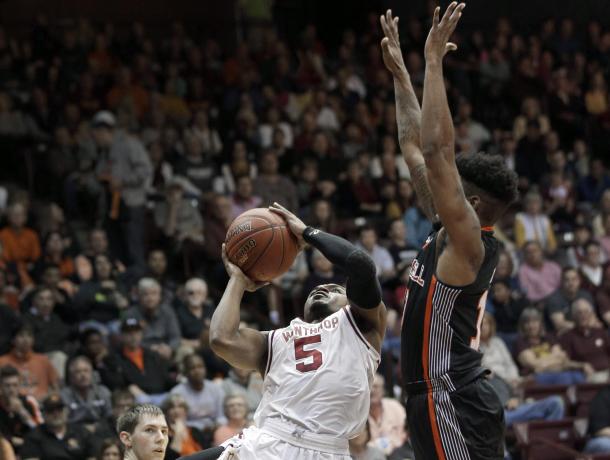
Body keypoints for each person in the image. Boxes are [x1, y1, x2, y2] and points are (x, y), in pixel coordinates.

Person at [381, 6, 518, 459]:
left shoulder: (470, 244)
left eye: (456, 190)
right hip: (432, 398)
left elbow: (439, 150)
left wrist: (434, 61)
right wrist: (402, 77)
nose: (445, 189)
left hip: (452, 397)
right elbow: (414, 148)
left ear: (472, 205)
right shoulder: (446, 224)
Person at [184, 201, 386, 459]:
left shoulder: (362, 325)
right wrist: (238, 280)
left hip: (326, 449)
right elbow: (221, 339)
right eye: (317, 289)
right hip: (269, 441)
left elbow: (360, 265)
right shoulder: (275, 340)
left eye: (336, 289)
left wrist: (307, 234)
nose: (323, 288)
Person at [20, 393, 97, 460]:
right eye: (51, 410)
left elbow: (93, 456)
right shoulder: (33, 437)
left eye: (59, 409)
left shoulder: (81, 432)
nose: (56, 414)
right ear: (43, 414)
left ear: (66, 411)